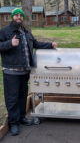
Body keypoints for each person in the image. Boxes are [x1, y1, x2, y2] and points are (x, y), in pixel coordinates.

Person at [0, 8, 57, 136]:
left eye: (21, 15)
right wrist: (10, 43)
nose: (19, 17)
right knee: (12, 98)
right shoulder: (5, 31)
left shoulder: (26, 32)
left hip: (25, 71)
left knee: (22, 96)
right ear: (12, 17)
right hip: (11, 71)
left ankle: (21, 118)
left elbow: (36, 43)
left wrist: (50, 45)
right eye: (16, 15)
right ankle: (13, 123)